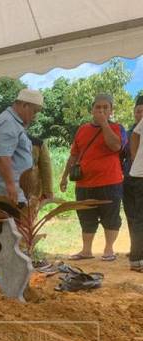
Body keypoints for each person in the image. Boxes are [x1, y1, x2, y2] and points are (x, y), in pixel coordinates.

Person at [0, 89, 44, 263]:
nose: (34, 116)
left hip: (7, 190)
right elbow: (2, 156)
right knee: (3, 233)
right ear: (24, 105)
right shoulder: (7, 123)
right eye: (34, 111)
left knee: (3, 232)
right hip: (3, 191)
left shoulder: (13, 123)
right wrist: (11, 186)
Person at [60, 94, 126, 262]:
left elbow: (115, 146)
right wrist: (64, 177)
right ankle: (86, 250)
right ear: (92, 110)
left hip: (110, 182)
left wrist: (104, 124)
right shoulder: (82, 129)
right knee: (85, 216)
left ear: (111, 111)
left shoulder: (117, 128)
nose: (101, 110)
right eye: (98, 107)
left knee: (110, 216)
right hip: (84, 183)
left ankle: (109, 249)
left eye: (106, 107)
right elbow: (73, 155)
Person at [125, 112, 143, 272]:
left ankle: (137, 259)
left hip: (138, 174)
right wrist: (135, 157)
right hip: (141, 175)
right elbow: (135, 135)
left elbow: (136, 134)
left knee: (139, 218)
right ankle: (137, 260)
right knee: (140, 218)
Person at [28, 135, 54, 200]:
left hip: (4, 191)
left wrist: (47, 192)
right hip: (31, 192)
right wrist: (48, 192)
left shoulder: (1, 141)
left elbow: (46, 169)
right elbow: (46, 169)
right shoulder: (38, 143)